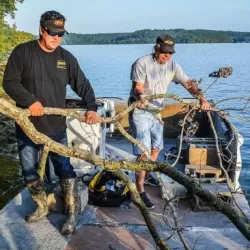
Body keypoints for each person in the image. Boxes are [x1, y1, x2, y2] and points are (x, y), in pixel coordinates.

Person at [3, 10, 98, 234]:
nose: (56, 38)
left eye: (60, 34)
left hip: (56, 128)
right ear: (41, 29)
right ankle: (42, 206)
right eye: (52, 33)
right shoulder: (23, 52)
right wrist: (30, 101)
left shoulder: (66, 58)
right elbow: (10, 83)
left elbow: (82, 84)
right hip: (27, 128)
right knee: (29, 172)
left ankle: (72, 215)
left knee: (65, 170)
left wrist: (92, 107)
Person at [129, 34, 211, 209]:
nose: (167, 56)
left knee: (157, 148)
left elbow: (188, 83)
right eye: (164, 52)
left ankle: (146, 172)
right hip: (141, 110)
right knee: (143, 151)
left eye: (170, 53)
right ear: (156, 48)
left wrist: (202, 98)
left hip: (156, 112)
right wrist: (142, 97)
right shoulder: (141, 63)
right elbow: (138, 88)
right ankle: (140, 189)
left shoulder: (173, 65)